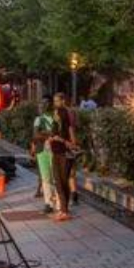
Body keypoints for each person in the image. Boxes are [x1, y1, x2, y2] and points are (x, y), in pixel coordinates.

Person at [49, 93, 78, 221]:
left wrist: (71, 143)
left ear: (63, 101)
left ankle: (64, 210)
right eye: (54, 101)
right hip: (57, 149)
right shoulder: (61, 112)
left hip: (63, 149)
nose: (55, 103)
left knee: (61, 180)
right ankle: (64, 209)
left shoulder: (64, 112)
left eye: (57, 100)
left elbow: (70, 129)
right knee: (60, 180)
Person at [31, 98, 58, 214]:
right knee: (47, 178)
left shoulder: (54, 118)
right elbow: (36, 135)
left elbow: (38, 135)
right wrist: (49, 134)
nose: (41, 107)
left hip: (51, 150)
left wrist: (43, 134)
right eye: (41, 105)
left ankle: (54, 203)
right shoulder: (39, 119)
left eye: (43, 105)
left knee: (52, 177)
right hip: (44, 150)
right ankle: (49, 203)